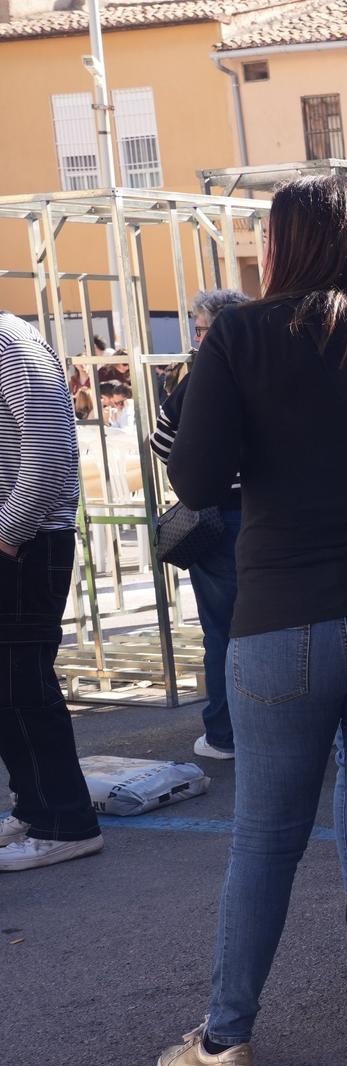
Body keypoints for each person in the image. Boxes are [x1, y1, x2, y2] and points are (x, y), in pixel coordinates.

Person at [153, 174, 347, 1066]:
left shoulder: (241, 335)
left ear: (286, 245)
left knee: (265, 838)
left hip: (282, 615)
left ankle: (227, 1043)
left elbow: (200, 478)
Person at [0, 313, 105, 872]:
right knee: (11, 688)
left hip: (27, 541)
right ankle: (38, 808)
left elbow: (48, 449)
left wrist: (9, 534)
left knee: (22, 687)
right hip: (22, 538)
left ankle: (65, 822)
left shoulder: (8, 340)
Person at [148, 287, 252, 760]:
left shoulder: (202, 378)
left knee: (223, 632)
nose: (196, 334)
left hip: (218, 521)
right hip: (266, 516)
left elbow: (161, 439)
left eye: (202, 326)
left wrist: (201, 476)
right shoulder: (269, 371)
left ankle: (224, 734)